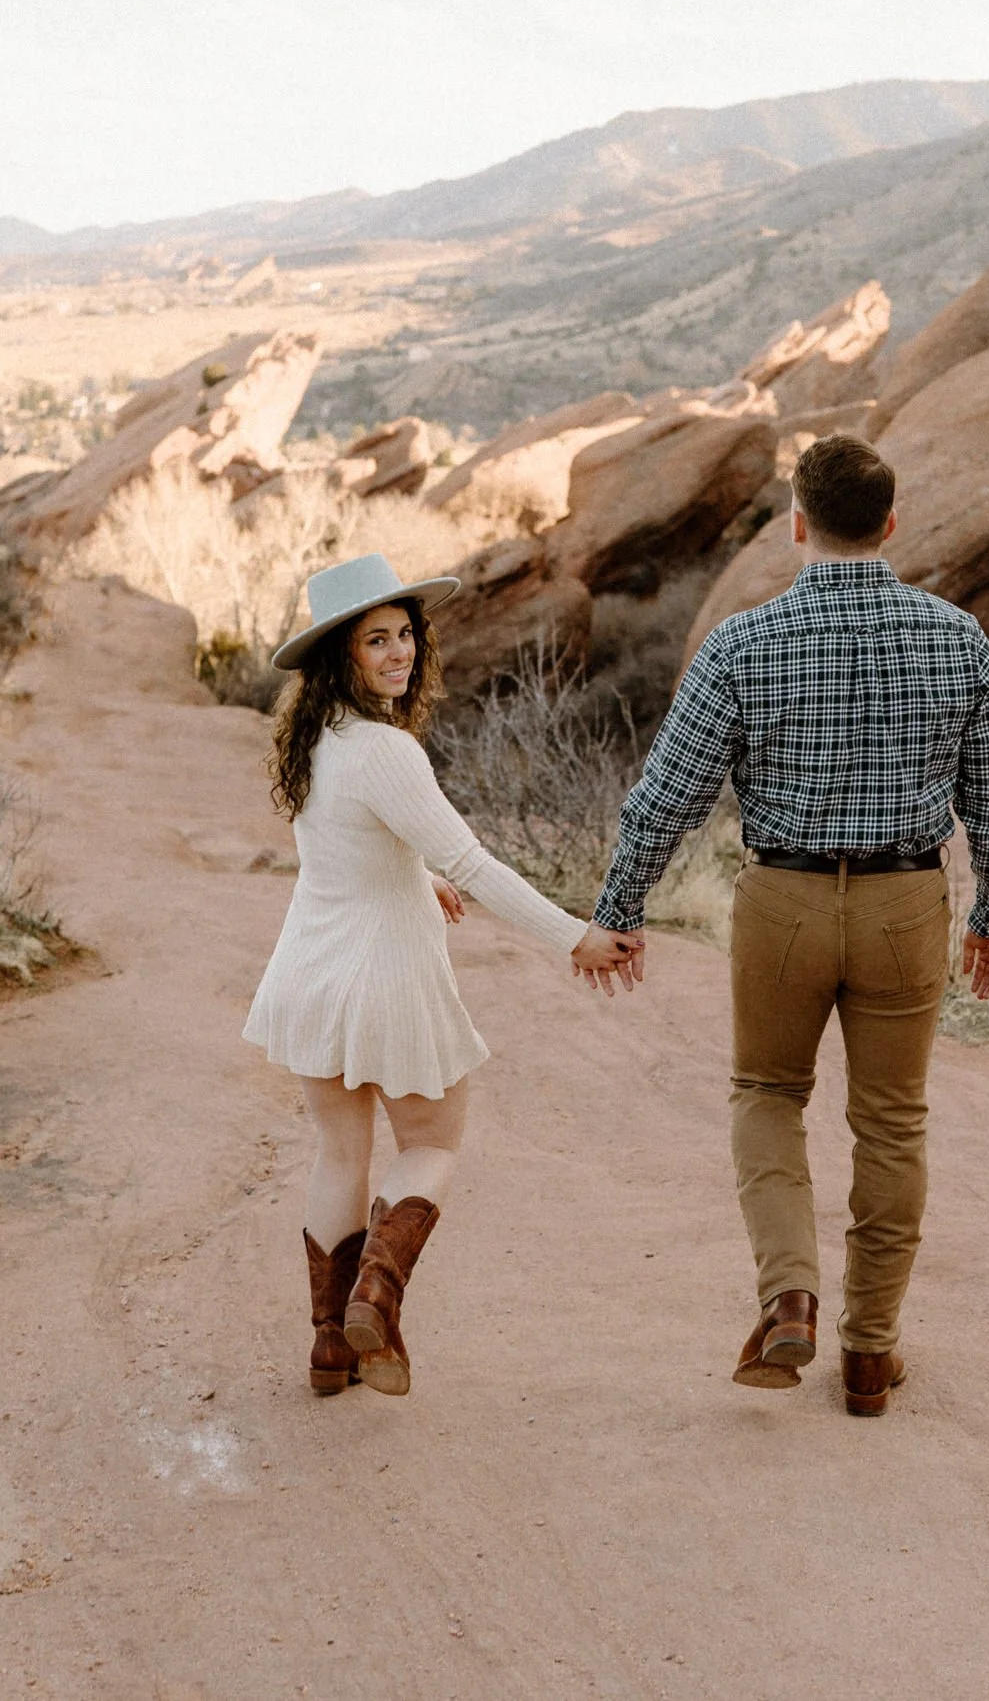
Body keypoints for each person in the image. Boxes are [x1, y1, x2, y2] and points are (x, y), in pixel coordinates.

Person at [583, 433, 989, 1417]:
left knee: (766, 1092)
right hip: (905, 904)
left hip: (780, 902)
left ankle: (790, 1295)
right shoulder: (955, 639)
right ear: (890, 523)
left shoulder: (741, 645)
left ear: (796, 523)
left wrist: (619, 911)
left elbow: (664, 801)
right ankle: (870, 1353)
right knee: (891, 1123)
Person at [243, 552, 636, 1398]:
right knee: (430, 1143)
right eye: (374, 641)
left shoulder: (315, 739)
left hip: (310, 971)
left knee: (340, 1153)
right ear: (336, 657)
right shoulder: (386, 749)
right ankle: (374, 1304)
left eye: (404, 637)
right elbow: (476, 861)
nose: (398, 655)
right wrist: (574, 936)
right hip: (381, 977)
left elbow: (340, 846)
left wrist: (414, 876)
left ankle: (328, 1347)